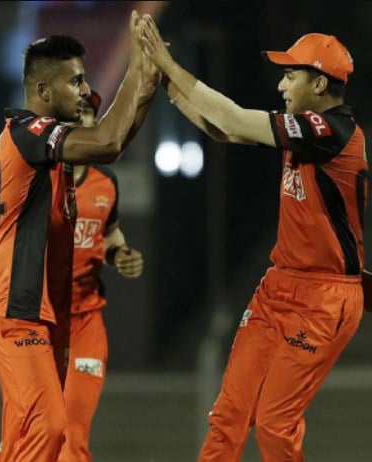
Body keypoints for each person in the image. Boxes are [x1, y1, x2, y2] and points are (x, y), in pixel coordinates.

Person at [141, 16, 365, 462]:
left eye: (291, 75)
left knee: (276, 425)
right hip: (279, 286)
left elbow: (234, 119)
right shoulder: (307, 130)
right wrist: (165, 82)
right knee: (228, 416)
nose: (281, 86)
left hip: (323, 298)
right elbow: (223, 129)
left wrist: (169, 65)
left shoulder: (331, 131)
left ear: (320, 84)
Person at [0, 10, 157, 460]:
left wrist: (146, 82)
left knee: (27, 438)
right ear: (42, 90)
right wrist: (136, 64)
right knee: (52, 428)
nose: (83, 90)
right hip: (16, 309)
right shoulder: (28, 133)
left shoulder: (71, 166)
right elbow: (108, 142)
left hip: (47, 311)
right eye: (75, 82)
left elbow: (114, 142)